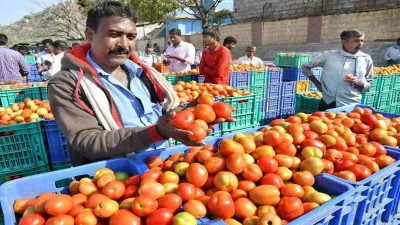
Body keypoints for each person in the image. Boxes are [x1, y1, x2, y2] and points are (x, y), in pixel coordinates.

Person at [48, 1, 232, 166]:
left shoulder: (143, 73)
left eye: (130, 36)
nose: (123, 44)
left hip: (161, 166)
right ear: (90, 34)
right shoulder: (68, 84)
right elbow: (88, 141)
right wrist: (156, 132)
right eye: (113, 34)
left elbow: (160, 116)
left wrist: (188, 112)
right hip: (113, 177)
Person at [302, 28, 374, 110]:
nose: (360, 44)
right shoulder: (329, 56)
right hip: (328, 102)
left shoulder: (366, 59)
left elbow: (369, 83)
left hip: (351, 104)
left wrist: (361, 84)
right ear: (344, 42)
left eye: (362, 41)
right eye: (356, 41)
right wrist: (317, 83)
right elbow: (305, 67)